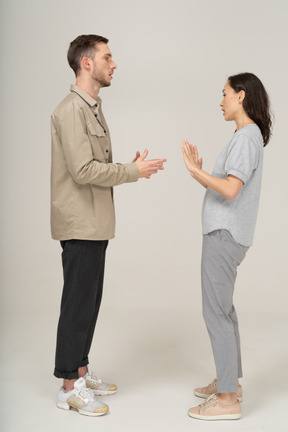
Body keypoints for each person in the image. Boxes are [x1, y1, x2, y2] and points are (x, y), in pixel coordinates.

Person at [50, 34, 166, 417]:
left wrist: (126, 168)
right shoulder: (71, 110)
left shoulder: (92, 107)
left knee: (90, 301)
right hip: (80, 222)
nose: (113, 64)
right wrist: (132, 171)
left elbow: (93, 164)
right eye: (107, 57)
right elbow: (83, 171)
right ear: (87, 63)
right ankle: (69, 386)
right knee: (77, 303)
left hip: (95, 223)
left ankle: (81, 369)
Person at [181, 72, 272, 421]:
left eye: (224, 94)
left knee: (215, 313)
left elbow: (231, 190)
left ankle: (227, 400)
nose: (220, 102)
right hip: (227, 234)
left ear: (241, 96)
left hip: (224, 235)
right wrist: (204, 173)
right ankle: (229, 380)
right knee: (224, 310)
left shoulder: (246, 138)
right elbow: (228, 186)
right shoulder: (244, 136)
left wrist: (194, 171)